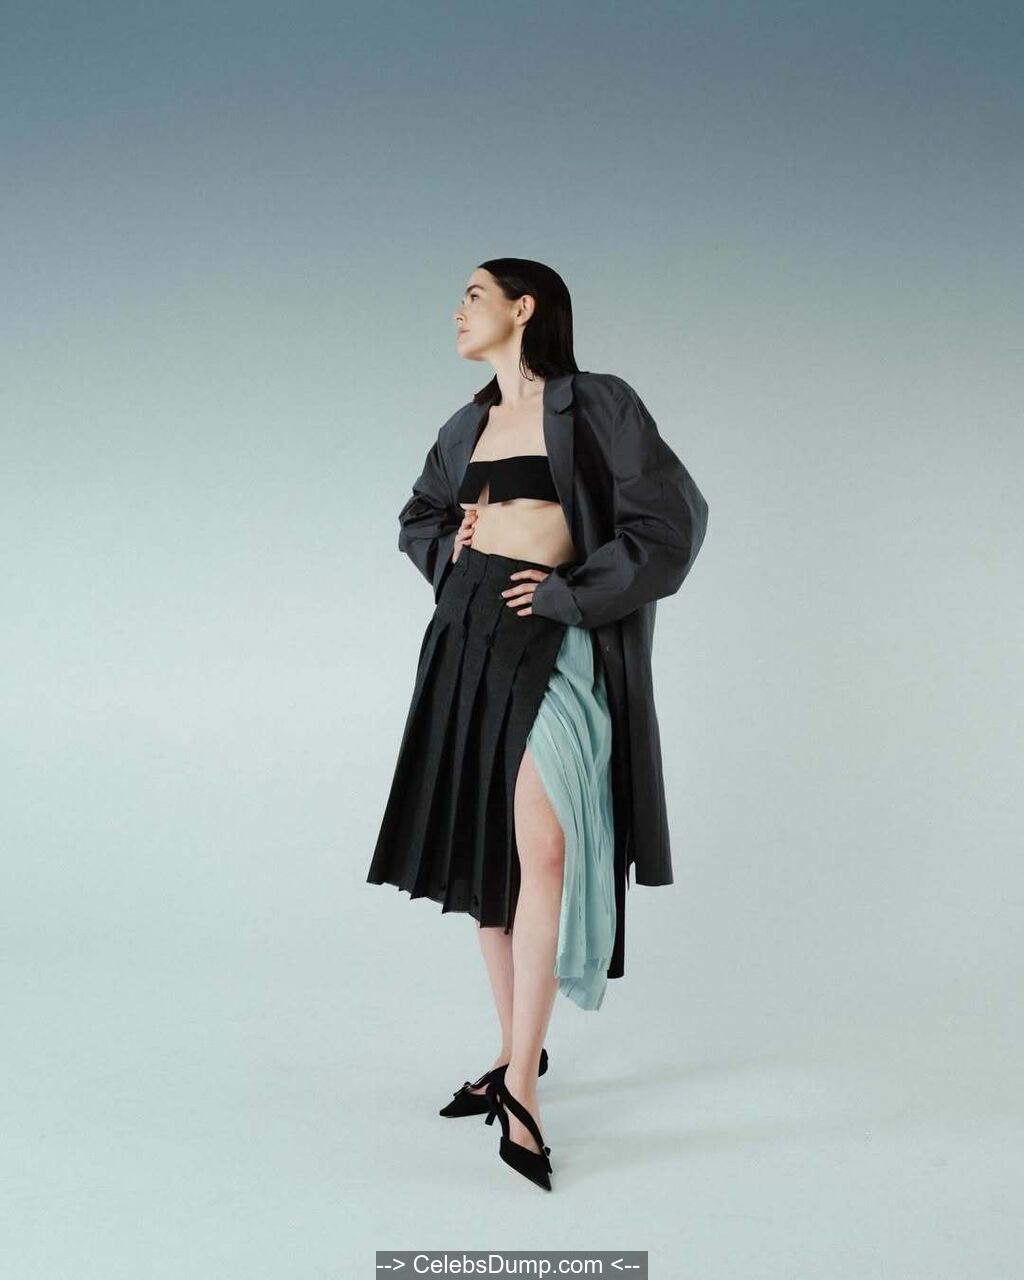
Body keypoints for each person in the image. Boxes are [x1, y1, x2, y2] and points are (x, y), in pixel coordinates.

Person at [366, 258, 709, 1190]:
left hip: (548, 631)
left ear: (523, 308)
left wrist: (571, 593)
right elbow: (420, 514)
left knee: (546, 850)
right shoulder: (466, 423)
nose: (457, 311)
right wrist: (451, 546)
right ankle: (516, 1056)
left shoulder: (596, 403)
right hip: (466, 636)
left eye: (472, 295)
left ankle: (521, 1083)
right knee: (491, 852)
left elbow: (670, 523)